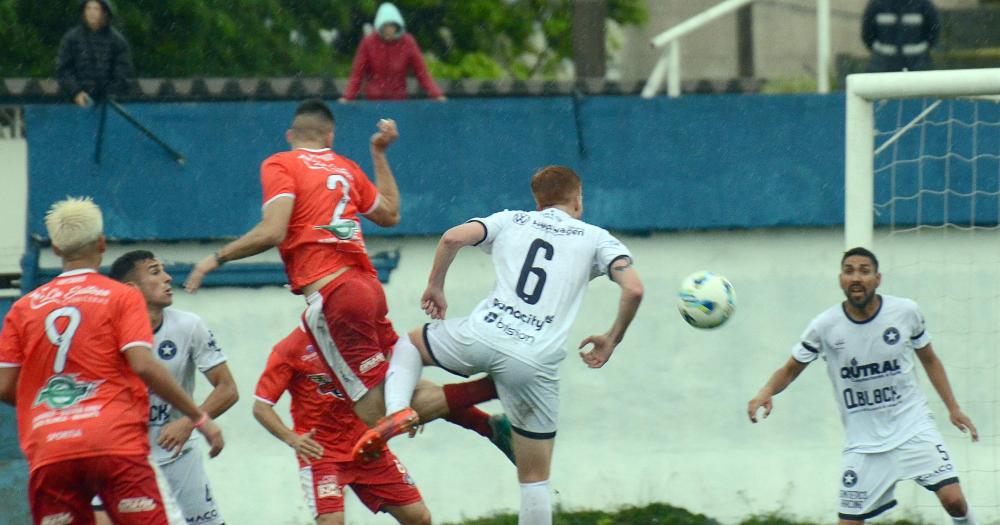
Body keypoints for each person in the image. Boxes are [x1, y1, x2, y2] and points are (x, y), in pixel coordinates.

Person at [361, 166, 644, 525]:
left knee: (412, 344)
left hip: (483, 334)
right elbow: (634, 288)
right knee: (534, 479)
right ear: (578, 199)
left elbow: (451, 238)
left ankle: (398, 409)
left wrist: (435, 286)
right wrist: (611, 338)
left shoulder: (512, 220)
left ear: (537, 200)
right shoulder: (597, 238)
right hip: (535, 360)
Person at [182, 99, 471, 441]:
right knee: (397, 382)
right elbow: (391, 213)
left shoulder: (280, 163)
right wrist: (379, 153)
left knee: (375, 414)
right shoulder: (345, 167)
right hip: (368, 289)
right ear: (330, 136)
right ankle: (484, 417)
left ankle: (483, 387)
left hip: (334, 295)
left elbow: (273, 231)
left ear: (290, 134)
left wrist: (216, 258)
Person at [0, 197, 224, 525]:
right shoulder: (120, 296)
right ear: (102, 244)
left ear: (58, 250)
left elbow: (5, 386)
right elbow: (143, 364)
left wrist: (55, 408)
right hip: (113, 444)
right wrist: (199, 419)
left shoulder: (23, 308)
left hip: (50, 449)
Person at [747, 247, 978, 524]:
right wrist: (766, 391)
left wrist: (953, 408)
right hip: (864, 445)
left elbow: (929, 359)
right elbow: (790, 369)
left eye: (864, 271)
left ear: (877, 279)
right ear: (840, 279)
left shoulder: (905, 311)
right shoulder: (824, 326)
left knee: (953, 500)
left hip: (913, 428)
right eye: (849, 271)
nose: (856, 277)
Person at [252, 325, 512, 525]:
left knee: (419, 518)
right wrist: (292, 439)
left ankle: (487, 425)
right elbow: (261, 406)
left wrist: (404, 409)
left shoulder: (360, 335)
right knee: (332, 522)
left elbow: (399, 375)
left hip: (369, 447)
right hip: (323, 455)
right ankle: (487, 418)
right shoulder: (290, 349)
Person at [92, 250, 239, 525]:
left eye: (164, 269)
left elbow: (228, 389)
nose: (168, 277)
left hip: (178, 456)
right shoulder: (104, 332)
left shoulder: (188, 325)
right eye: (155, 271)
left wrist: (188, 422)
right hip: (123, 459)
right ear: (130, 289)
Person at [339, 2, 446, 102]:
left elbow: (422, 73)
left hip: (399, 101)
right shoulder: (368, 43)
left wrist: (437, 95)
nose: (389, 30)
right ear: (379, 26)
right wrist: (347, 98)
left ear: (398, 26)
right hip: (373, 103)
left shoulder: (408, 42)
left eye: (392, 26)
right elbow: (357, 75)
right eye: (386, 26)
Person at [57, 0, 133, 108]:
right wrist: (76, 92)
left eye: (96, 9)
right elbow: (64, 70)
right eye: (88, 8)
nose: (91, 12)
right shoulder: (71, 39)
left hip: (110, 107)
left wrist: (110, 96)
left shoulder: (118, 41)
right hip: (77, 107)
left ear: (104, 12)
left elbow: (123, 74)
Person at [861, 0, 940, 72]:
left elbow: (933, 33)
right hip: (883, 68)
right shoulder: (876, 4)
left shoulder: (924, 4)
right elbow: (867, 34)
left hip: (916, 67)